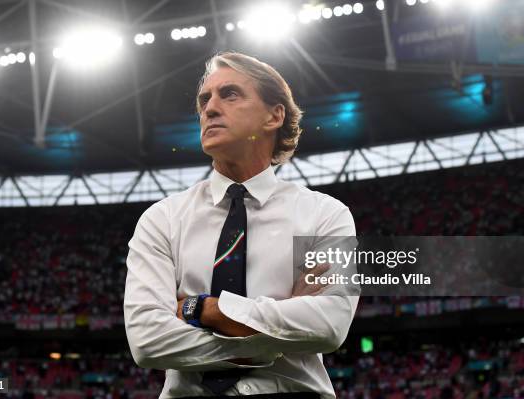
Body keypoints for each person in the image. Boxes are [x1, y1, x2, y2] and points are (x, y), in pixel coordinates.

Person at [124, 51, 359, 398]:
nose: (210, 108)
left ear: (274, 115)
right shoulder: (161, 219)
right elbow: (147, 342)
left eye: (230, 94)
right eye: (205, 99)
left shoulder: (326, 214)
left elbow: (329, 324)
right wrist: (266, 345)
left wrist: (202, 309)